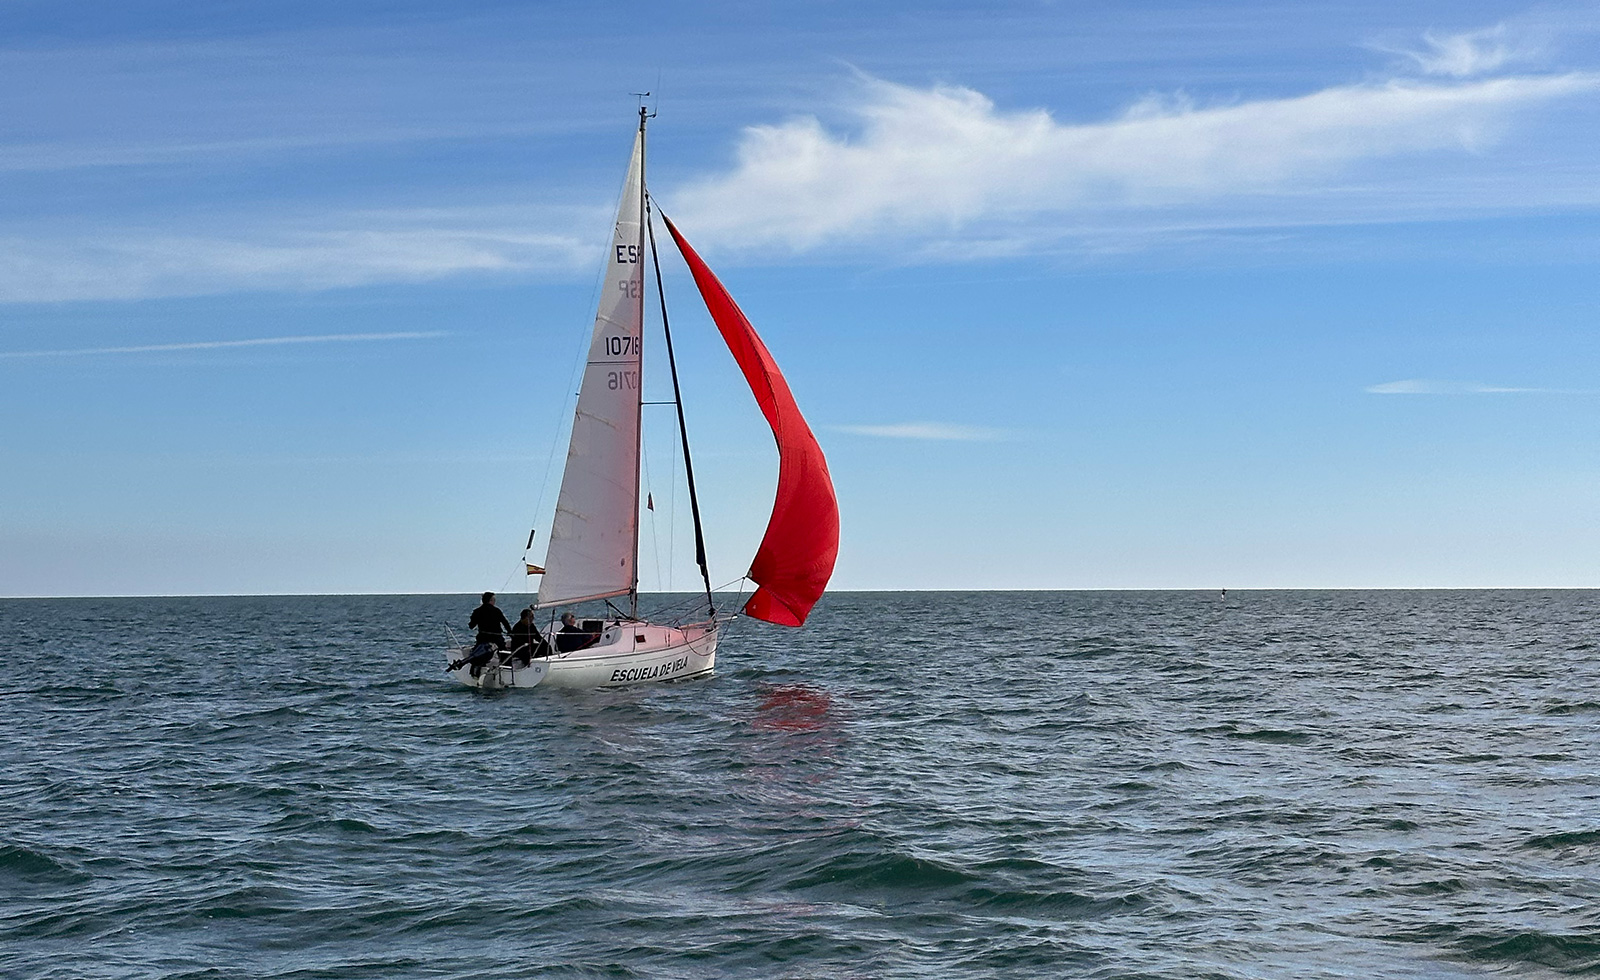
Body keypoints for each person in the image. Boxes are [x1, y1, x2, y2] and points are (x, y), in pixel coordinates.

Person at [447, 591, 515, 676]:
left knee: (476, 651)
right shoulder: (496, 610)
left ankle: (474, 669)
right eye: (494, 599)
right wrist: (510, 632)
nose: (495, 601)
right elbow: (505, 623)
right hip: (496, 637)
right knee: (503, 652)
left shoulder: (477, 611)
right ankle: (507, 670)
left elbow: (471, 626)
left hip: (483, 637)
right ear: (490, 600)